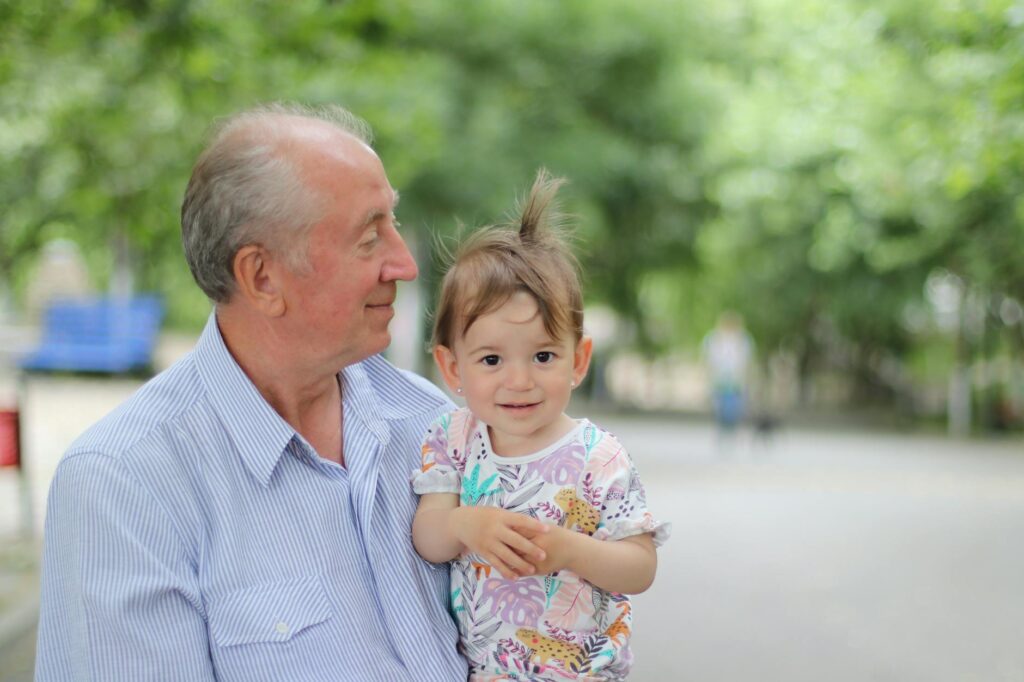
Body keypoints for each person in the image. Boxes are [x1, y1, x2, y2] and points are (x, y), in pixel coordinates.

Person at [35, 103, 468, 681]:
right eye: (369, 238)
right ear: (262, 277)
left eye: (393, 222)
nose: (405, 264)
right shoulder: (124, 484)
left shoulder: (434, 425)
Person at [410, 170, 670, 680]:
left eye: (544, 355)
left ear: (579, 360)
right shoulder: (452, 439)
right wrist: (466, 523)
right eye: (490, 361)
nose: (519, 380)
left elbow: (640, 568)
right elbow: (427, 536)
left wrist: (570, 550)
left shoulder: (599, 456)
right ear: (452, 368)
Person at [702, 311, 754, 438]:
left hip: (736, 379)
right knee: (720, 406)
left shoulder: (743, 340)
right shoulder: (714, 339)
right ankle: (722, 430)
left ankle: (731, 430)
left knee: (734, 407)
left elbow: (746, 361)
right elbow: (709, 360)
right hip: (719, 379)